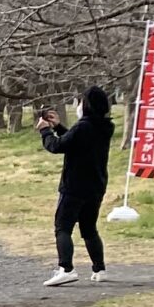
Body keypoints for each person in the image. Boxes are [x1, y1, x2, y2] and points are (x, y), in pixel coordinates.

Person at [36, 86, 114, 286]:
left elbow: (57, 146)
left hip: (74, 186)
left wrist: (45, 130)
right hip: (95, 186)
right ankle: (99, 269)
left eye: (80, 102)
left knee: (63, 227)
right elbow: (74, 142)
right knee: (89, 229)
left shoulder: (83, 127)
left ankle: (66, 269)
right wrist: (59, 127)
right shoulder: (104, 126)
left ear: (86, 105)